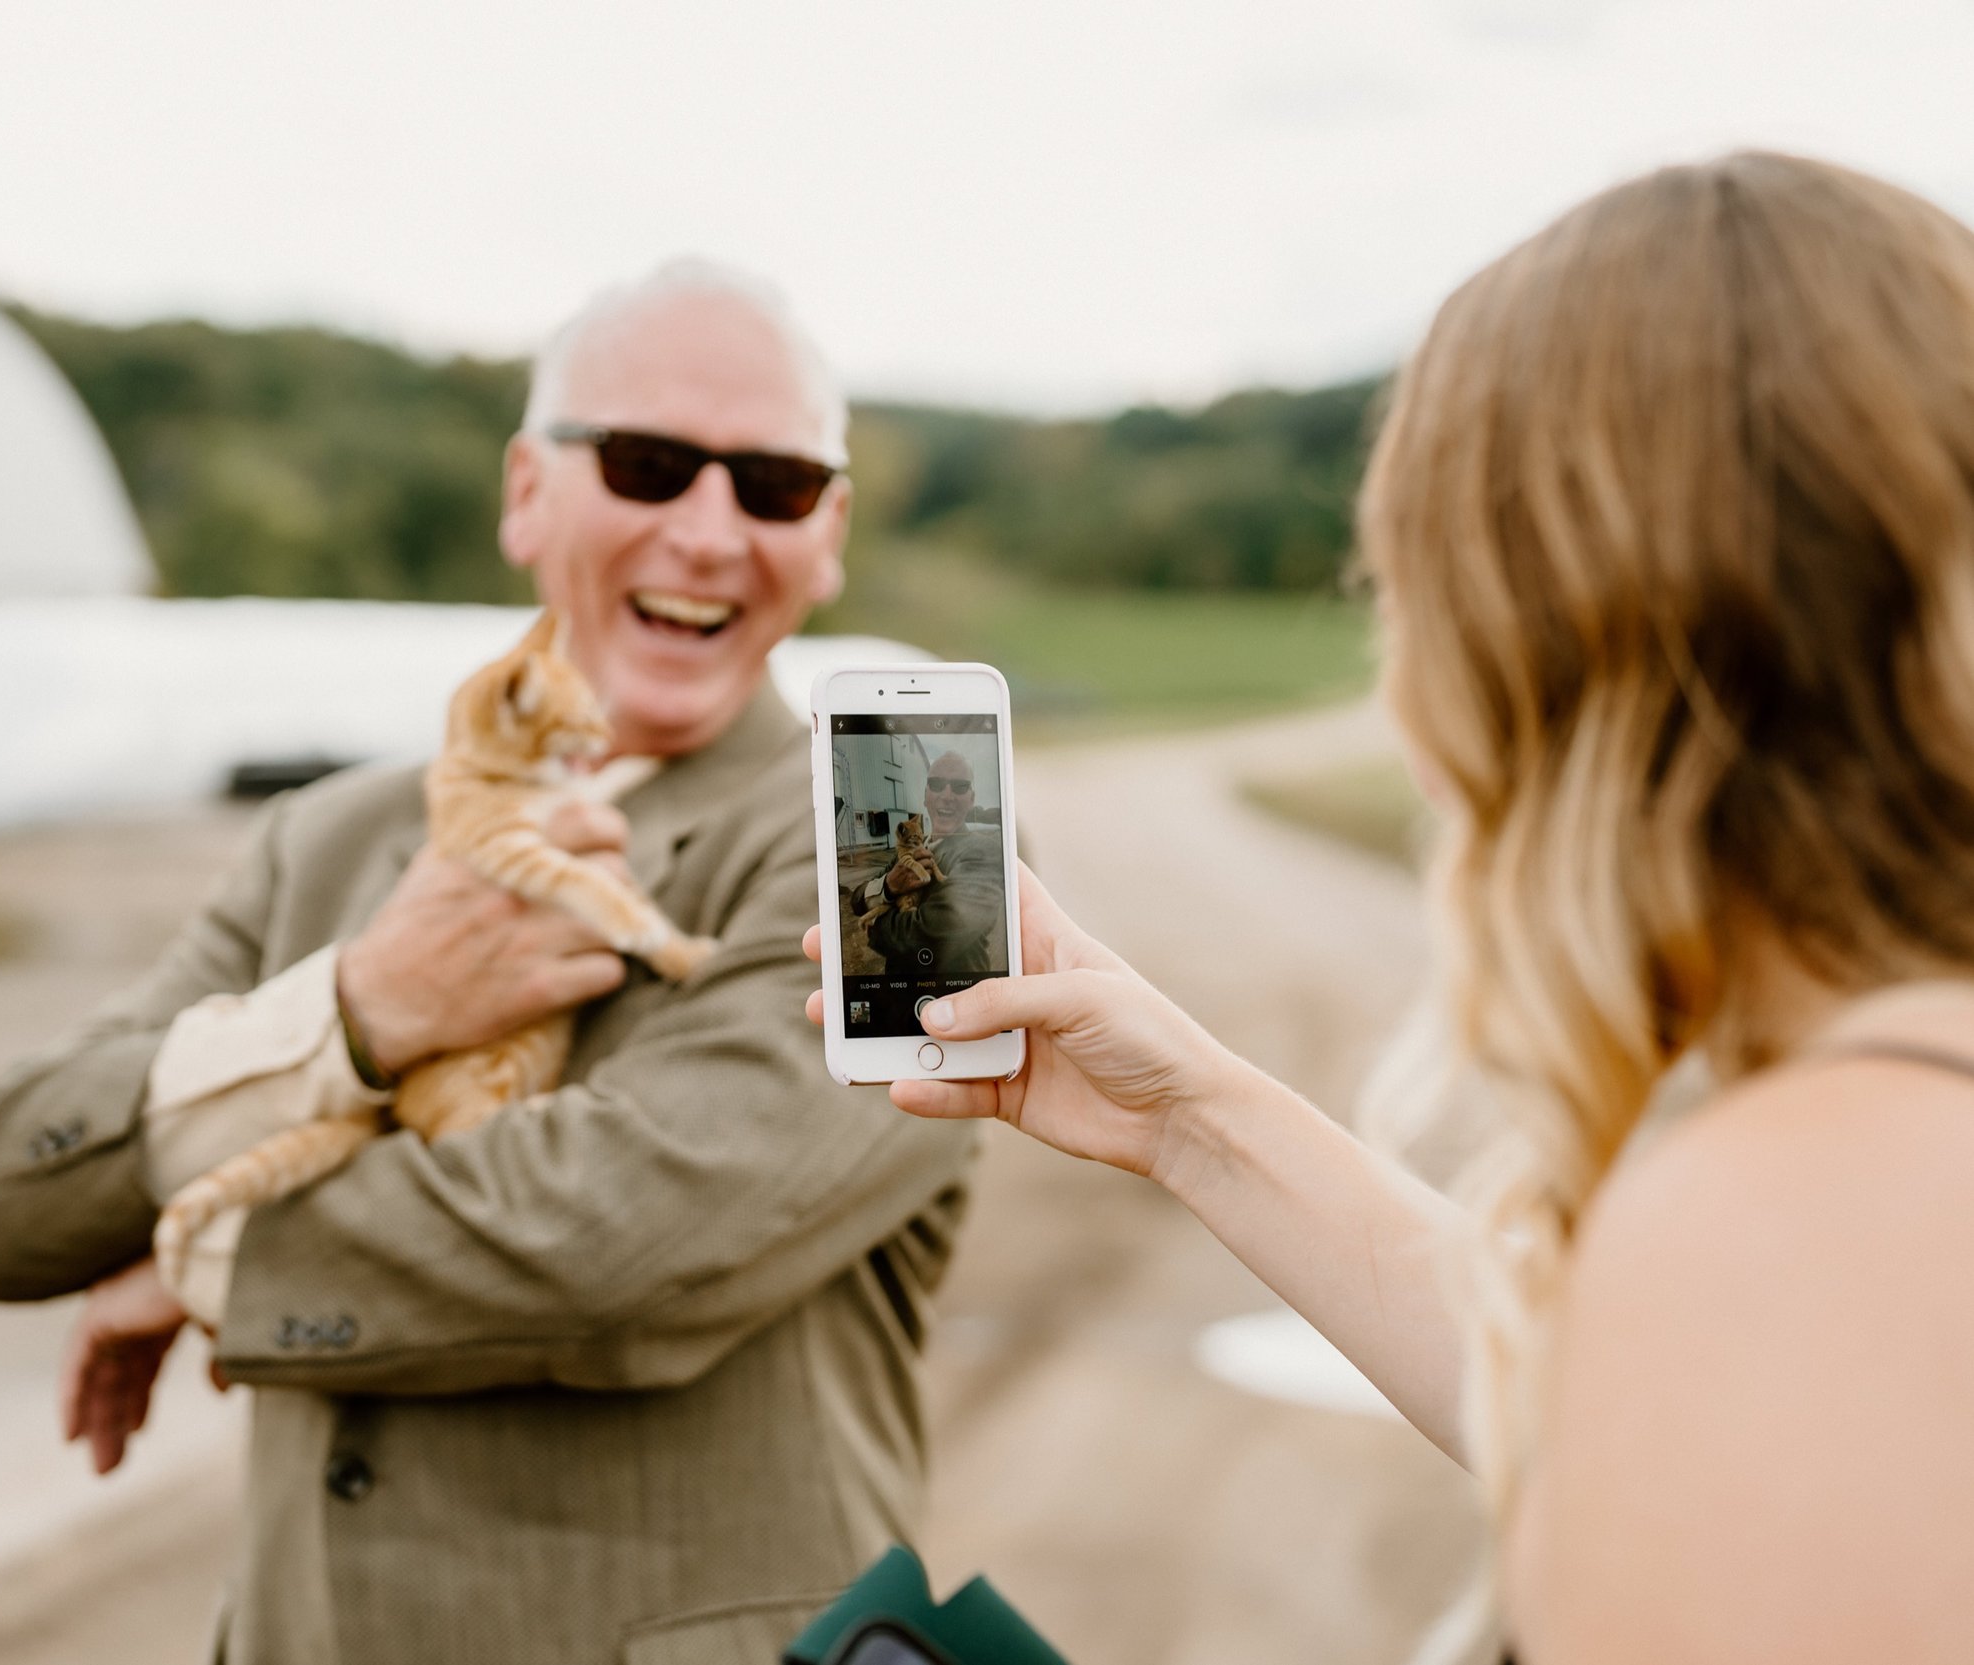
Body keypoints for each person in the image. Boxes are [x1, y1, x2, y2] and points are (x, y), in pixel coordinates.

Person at [812, 153, 1974, 1661]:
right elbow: (1583, 1414)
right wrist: (1190, 1118)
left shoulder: (1775, 1224)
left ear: (1527, 659)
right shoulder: (1895, 1142)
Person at [0, 260, 979, 1665]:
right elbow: (3, 1192)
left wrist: (197, 1256)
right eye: (649, 464)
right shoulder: (328, 838)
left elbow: (621, 1245)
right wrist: (357, 1010)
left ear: (831, 530)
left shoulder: (918, 841)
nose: (710, 531)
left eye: (775, 485)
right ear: (525, 494)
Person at [866, 750, 1003, 975]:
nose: (947, 795)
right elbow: (858, 897)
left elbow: (930, 932)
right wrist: (888, 887)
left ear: (972, 799)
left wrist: (873, 924)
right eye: (937, 784)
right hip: (896, 996)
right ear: (925, 796)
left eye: (960, 786)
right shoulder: (912, 848)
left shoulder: (986, 852)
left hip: (959, 996)